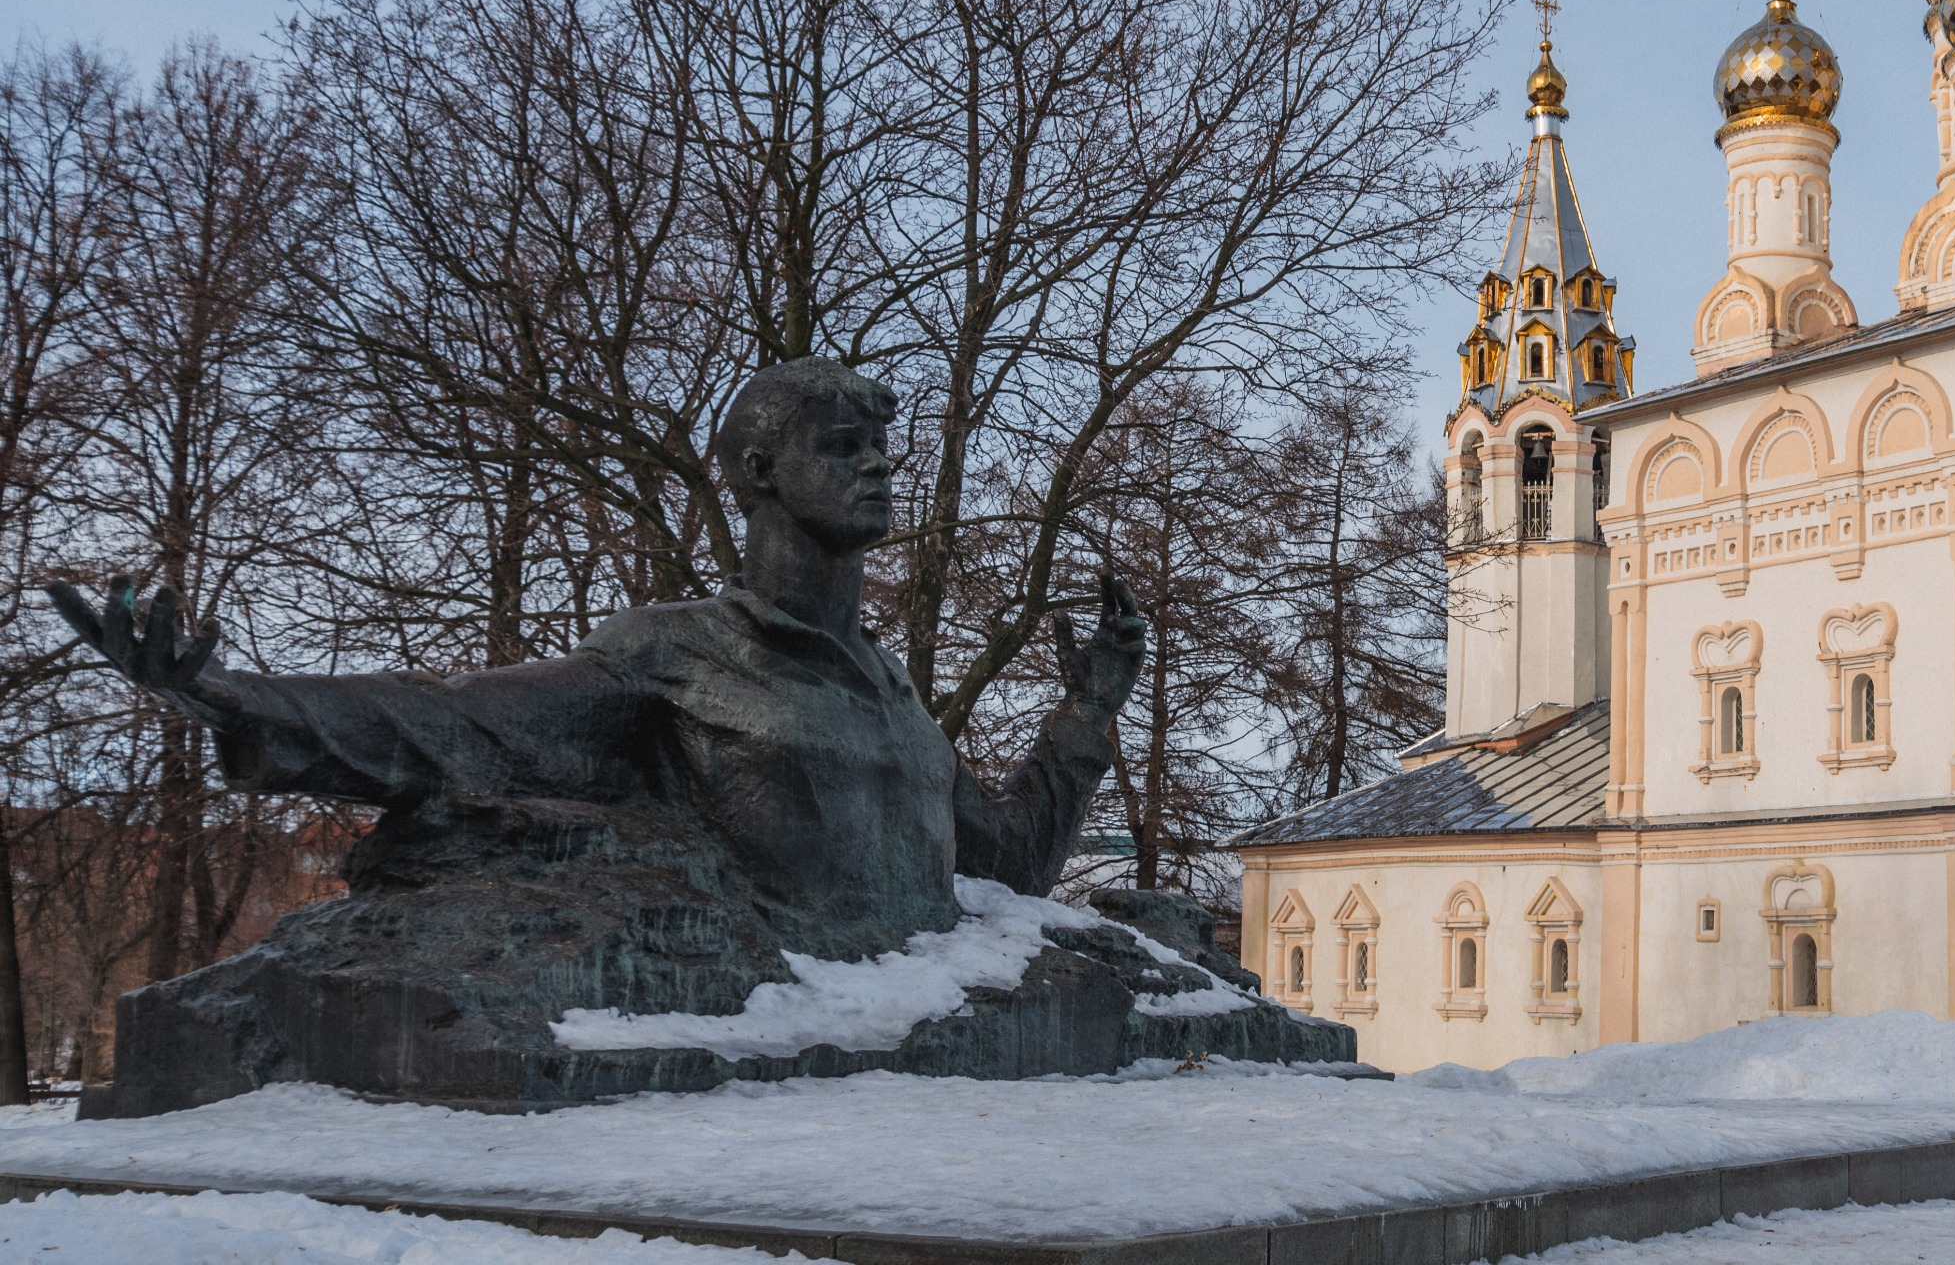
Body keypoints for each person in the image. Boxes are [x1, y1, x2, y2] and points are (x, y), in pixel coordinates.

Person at [48, 355, 1145, 962]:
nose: (878, 468)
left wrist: (1087, 713)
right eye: (843, 447)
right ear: (759, 472)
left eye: (882, 449)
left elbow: (1004, 864)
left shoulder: (895, 695)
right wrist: (225, 694)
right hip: (766, 1060)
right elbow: (451, 720)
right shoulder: (675, 651)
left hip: (909, 1077)